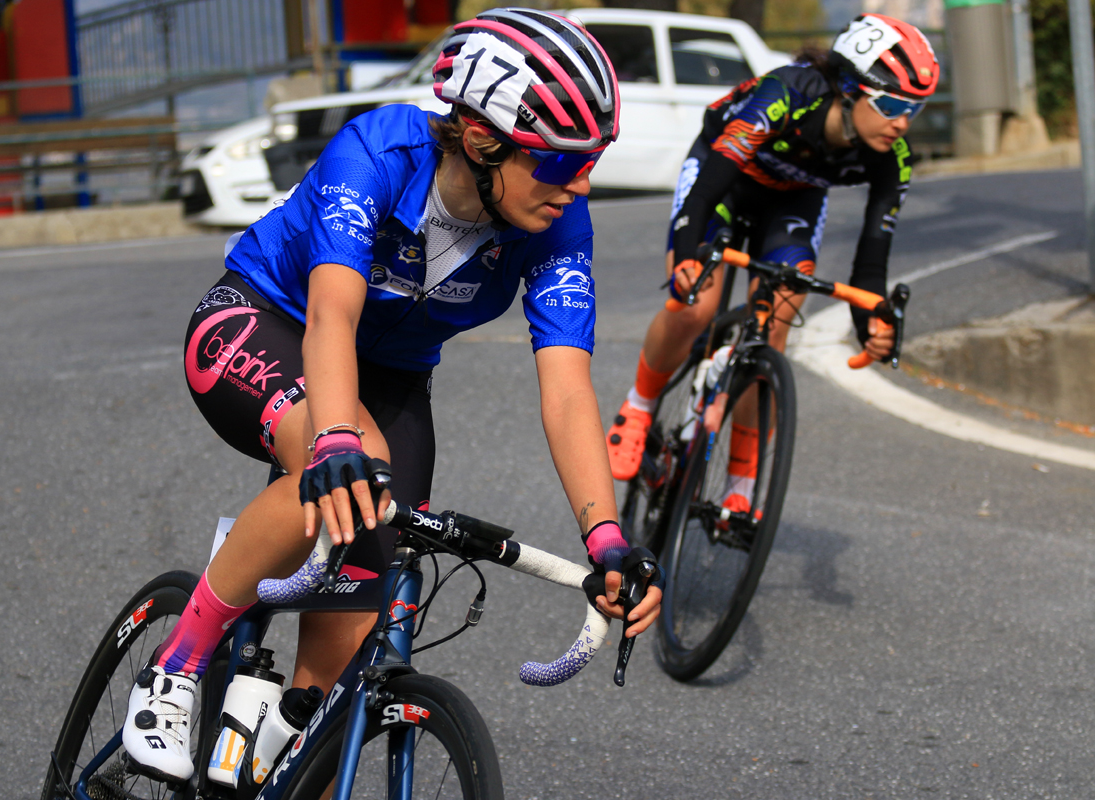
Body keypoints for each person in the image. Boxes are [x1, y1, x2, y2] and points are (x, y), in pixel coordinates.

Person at [120, 8, 663, 782]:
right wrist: (336, 436)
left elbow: (569, 389)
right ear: (483, 140)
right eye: (559, 161)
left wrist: (606, 539)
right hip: (263, 320)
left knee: (346, 644)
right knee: (350, 456)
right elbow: (333, 314)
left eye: (591, 160)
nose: (580, 184)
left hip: (392, 379)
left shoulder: (556, 225)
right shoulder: (380, 151)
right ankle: (175, 668)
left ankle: (264, 754)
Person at [605, 13, 939, 509]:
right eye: (891, 104)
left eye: (915, 108)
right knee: (698, 306)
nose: (902, 122)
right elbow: (707, 189)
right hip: (724, 182)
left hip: (792, 202)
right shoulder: (788, 92)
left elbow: (872, 260)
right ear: (849, 89)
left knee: (774, 326)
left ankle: (742, 479)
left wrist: (871, 322)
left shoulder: (893, 157)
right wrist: (687, 256)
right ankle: (638, 405)